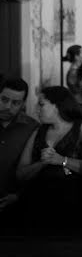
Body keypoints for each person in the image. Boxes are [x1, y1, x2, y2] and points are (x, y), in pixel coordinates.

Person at [15, 87, 82, 257]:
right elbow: (21, 173)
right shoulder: (39, 132)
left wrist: (62, 160)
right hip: (44, 208)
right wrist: (42, 163)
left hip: (77, 208)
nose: (37, 108)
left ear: (58, 105)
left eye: (42, 103)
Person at [0, 78, 39, 226]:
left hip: (16, 207)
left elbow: (35, 170)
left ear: (23, 104)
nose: (8, 107)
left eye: (15, 103)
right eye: (4, 99)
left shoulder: (32, 128)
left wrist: (18, 195)